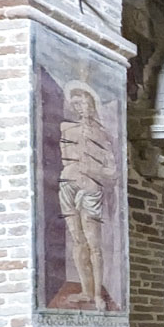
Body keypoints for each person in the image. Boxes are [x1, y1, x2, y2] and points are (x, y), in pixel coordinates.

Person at [58, 82, 115, 310]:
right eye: (76, 103)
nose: (81, 107)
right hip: (68, 184)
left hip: (90, 187)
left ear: (93, 104)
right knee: (77, 240)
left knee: (93, 243)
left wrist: (92, 171)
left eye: (85, 102)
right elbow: (64, 157)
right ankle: (85, 290)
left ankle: (98, 293)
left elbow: (111, 171)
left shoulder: (102, 135)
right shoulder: (67, 130)